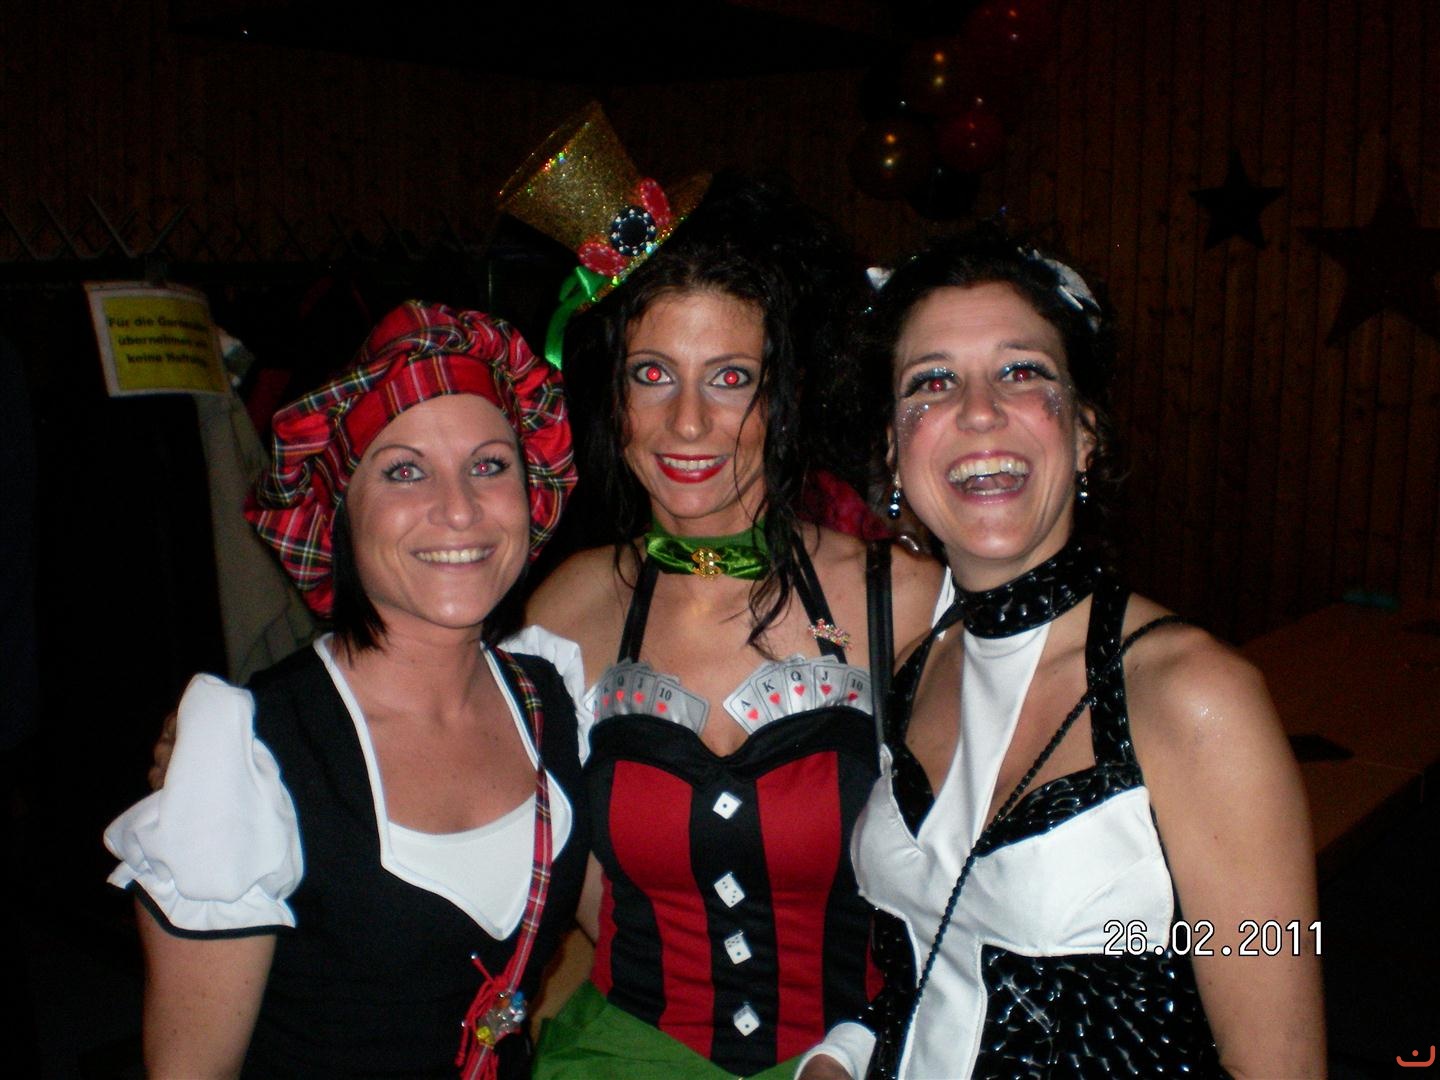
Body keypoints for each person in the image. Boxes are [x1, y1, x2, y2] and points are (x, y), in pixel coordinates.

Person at [798, 229, 1325, 1078]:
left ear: (1083, 434)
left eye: (1021, 371)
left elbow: (1283, 1063)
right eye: (932, 381)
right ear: (894, 450)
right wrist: (843, 1052)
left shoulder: (1194, 695)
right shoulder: (917, 666)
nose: (978, 410)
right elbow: (934, 964)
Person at [497, 105, 943, 1079]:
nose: (688, 422)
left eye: (730, 377)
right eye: (653, 374)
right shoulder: (566, 613)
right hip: (623, 1056)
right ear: (614, 397)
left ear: (782, 399)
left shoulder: (902, 600)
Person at [104, 302, 587, 1079]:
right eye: (404, 471)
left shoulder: (549, 698)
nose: (459, 508)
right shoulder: (254, 755)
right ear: (340, 513)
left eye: (489, 465)